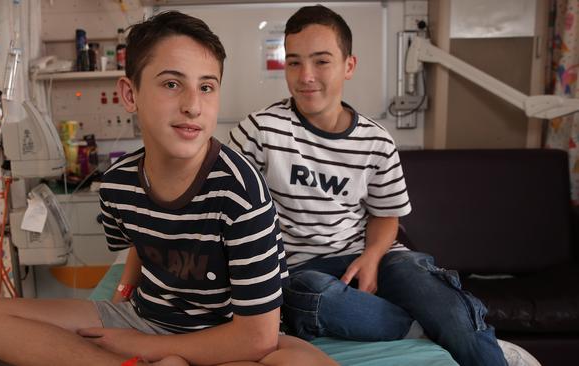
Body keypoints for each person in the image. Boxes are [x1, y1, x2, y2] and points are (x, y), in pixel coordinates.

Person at [0, 11, 335, 366]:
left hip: (225, 338)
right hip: (145, 318)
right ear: (130, 94)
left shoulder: (240, 192)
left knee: (301, 360)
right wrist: (123, 298)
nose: (192, 105)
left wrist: (146, 345)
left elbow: (258, 337)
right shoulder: (118, 183)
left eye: (206, 87)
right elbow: (141, 245)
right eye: (172, 84)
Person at [229, 5, 540, 366]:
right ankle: (423, 329)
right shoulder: (259, 131)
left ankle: (476, 344)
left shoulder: (376, 141)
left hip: (369, 255)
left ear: (349, 66)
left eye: (321, 61)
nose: (306, 76)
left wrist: (371, 259)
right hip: (299, 268)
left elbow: (386, 215)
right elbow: (233, 211)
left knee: (431, 289)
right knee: (310, 293)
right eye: (294, 62)